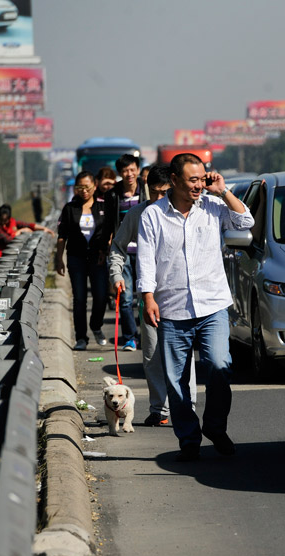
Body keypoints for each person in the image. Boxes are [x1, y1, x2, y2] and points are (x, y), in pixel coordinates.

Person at [137, 153, 254, 461]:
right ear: (174, 180)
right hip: (172, 309)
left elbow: (246, 220)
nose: (199, 185)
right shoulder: (153, 215)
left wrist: (224, 191)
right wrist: (148, 297)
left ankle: (215, 427)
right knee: (176, 382)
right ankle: (188, 439)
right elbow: (146, 259)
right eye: (193, 180)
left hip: (212, 305)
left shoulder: (214, 208)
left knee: (219, 365)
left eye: (202, 178)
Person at [110, 165, 196, 427]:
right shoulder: (137, 214)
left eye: (164, 192)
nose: (160, 198)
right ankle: (159, 408)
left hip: (182, 296)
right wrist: (117, 276)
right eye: (154, 193)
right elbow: (117, 247)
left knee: (183, 354)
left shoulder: (186, 212)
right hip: (149, 296)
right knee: (152, 354)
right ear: (146, 190)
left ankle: (187, 406)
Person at [55, 172, 115, 351]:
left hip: (98, 257)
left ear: (94, 186)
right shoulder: (69, 208)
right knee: (79, 299)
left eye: (87, 187)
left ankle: (96, 326)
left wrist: (106, 249)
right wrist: (59, 259)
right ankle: (81, 337)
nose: (84, 191)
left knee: (101, 296)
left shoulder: (103, 206)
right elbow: (62, 236)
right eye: (80, 187)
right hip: (76, 257)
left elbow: (110, 231)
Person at [103, 154, 143, 351]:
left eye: (132, 169)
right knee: (125, 297)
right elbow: (108, 225)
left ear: (137, 169)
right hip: (123, 251)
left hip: (145, 250)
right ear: (120, 173)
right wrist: (106, 248)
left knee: (145, 295)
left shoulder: (147, 190)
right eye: (125, 170)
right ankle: (130, 337)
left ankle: (148, 334)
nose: (129, 174)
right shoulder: (113, 195)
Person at [0, 204, 54, 273]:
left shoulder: (11, 222)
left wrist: (44, 228)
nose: (3, 223)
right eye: (0, 220)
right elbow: (7, 239)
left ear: (9, 218)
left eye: (5, 220)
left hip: (0, 257)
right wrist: (20, 231)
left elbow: (26, 225)